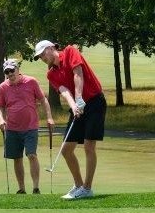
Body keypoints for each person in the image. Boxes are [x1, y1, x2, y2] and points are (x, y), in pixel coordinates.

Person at [34, 40, 107, 199]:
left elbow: (77, 73)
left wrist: (79, 98)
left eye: (42, 54)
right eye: (39, 57)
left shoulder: (70, 51)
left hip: (94, 101)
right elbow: (65, 91)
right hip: (78, 108)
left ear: (51, 48)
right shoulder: (51, 74)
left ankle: (87, 188)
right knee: (66, 149)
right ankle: (79, 185)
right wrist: (74, 105)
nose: (42, 58)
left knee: (89, 146)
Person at [0, 58, 54, 194]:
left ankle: (35, 187)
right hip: (12, 128)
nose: (10, 74)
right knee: (17, 158)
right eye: (7, 72)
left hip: (31, 126)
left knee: (32, 154)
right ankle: (21, 189)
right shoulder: (3, 87)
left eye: (12, 70)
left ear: (18, 69)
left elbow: (43, 100)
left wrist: (49, 117)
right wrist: (0, 119)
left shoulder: (31, 82)